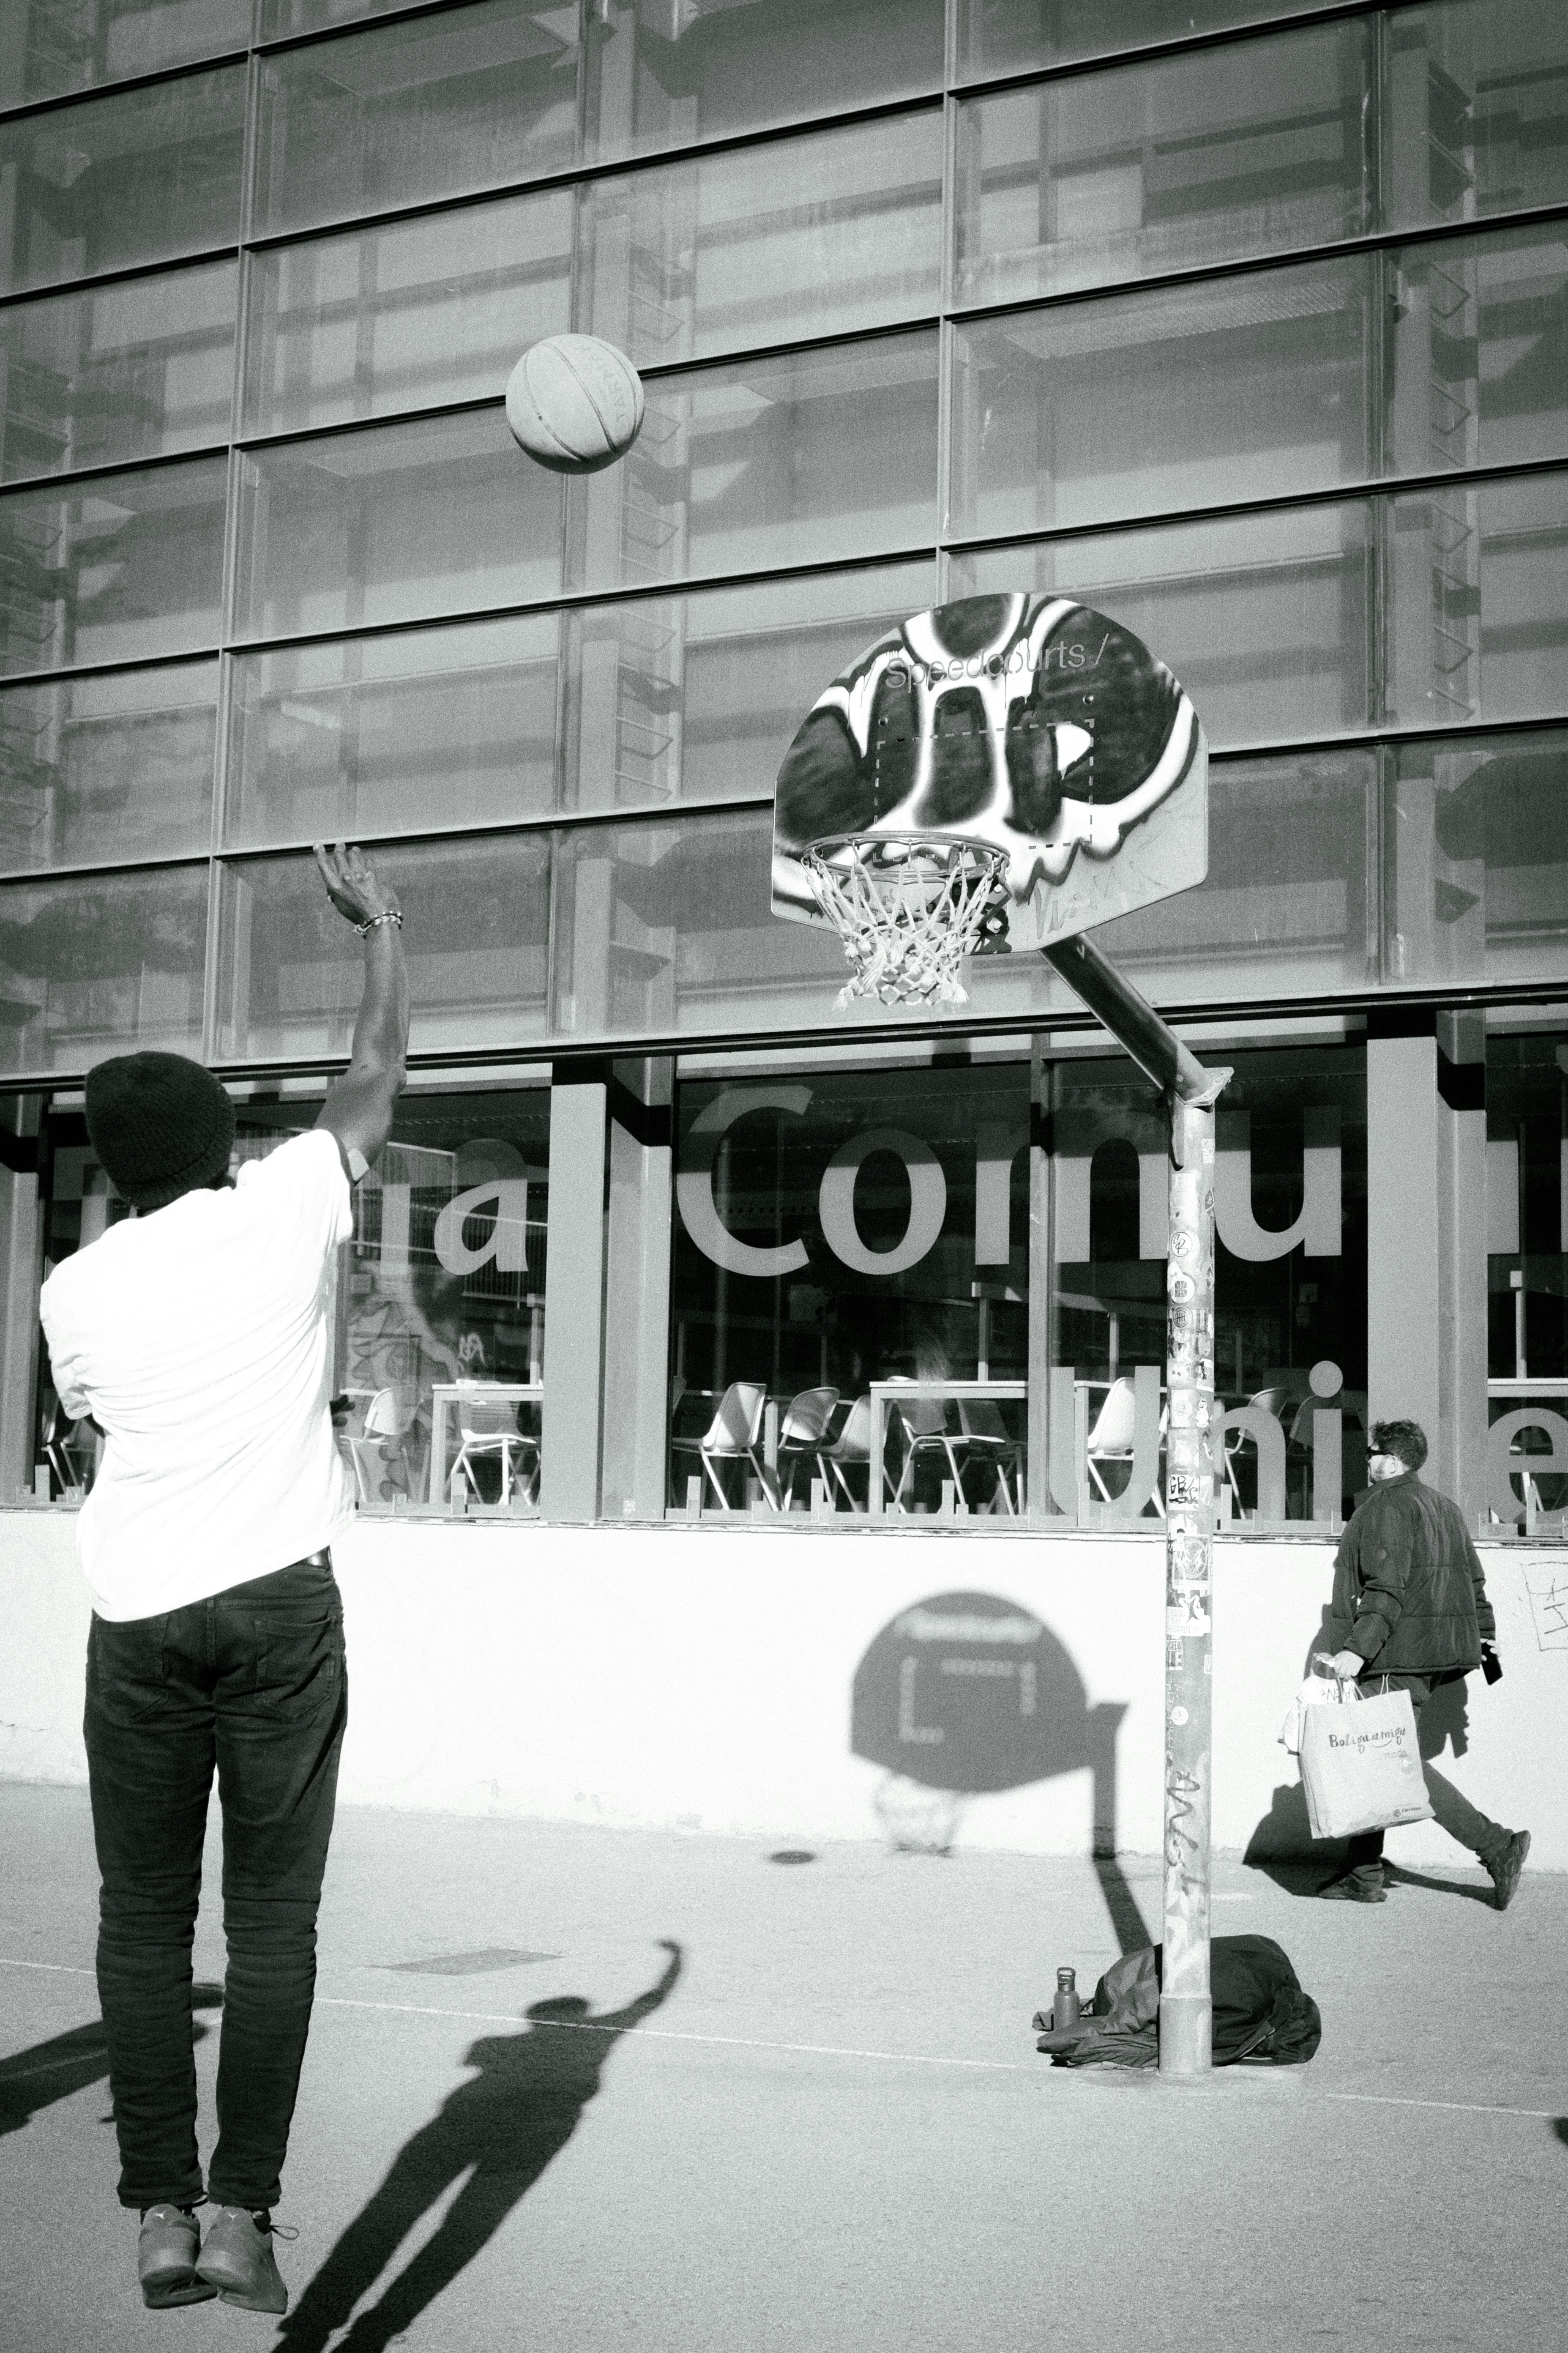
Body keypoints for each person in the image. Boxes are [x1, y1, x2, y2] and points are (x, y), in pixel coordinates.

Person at [39, 844, 409, 2314]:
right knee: (273, 1926)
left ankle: (156, 2214)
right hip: (275, 1608)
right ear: (226, 1140)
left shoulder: (75, 1288)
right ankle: (243, 2209)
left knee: (140, 1924)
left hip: (138, 1617)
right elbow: (375, 1063)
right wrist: (382, 927)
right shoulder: (284, 1205)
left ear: (111, 1169)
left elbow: (91, 1428)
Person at [1313, 1417, 1529, 1909]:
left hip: (1394, 1655)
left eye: (1370, 1453)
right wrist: (1485, 1644)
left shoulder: (1386, 1506)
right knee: (1376, 1758)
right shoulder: (1444, 1507)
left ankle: (1497, 1846)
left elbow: (1384, 1588)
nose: (1365, 1461)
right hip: (1428, 1656)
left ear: (1389, 1460)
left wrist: (1356, 1650)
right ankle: (1362, 1872)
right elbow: (1474, 1584)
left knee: (1397, 1764)